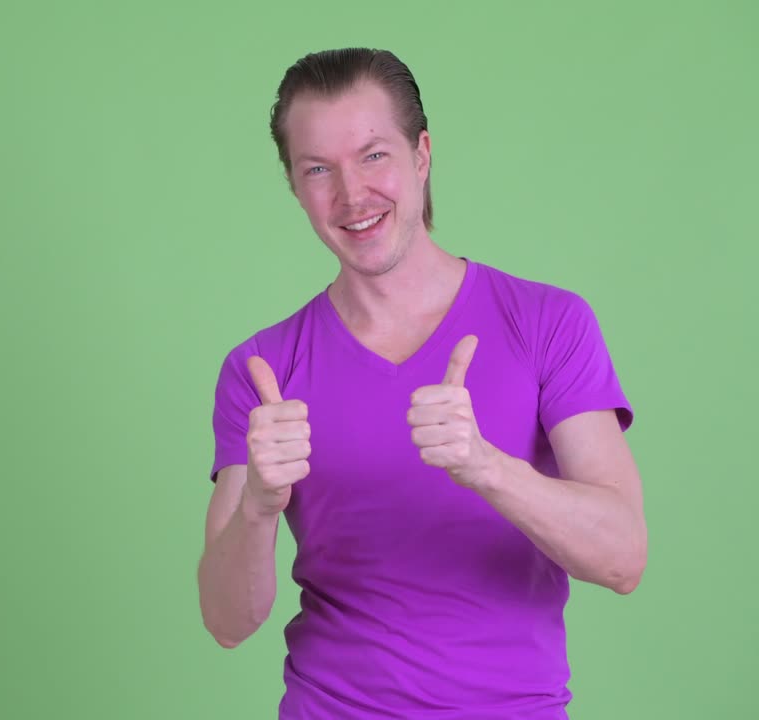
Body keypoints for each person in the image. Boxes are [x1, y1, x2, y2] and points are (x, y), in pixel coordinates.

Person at [197, 48, 647, 719]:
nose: (351, 195)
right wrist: (259, 505)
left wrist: (488, 466)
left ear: (422, 154)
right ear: (295, 186)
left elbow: (623, 558)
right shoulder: (263, 370)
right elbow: (227, 620)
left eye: (373, 155)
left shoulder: (549, 323)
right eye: (318, 169)